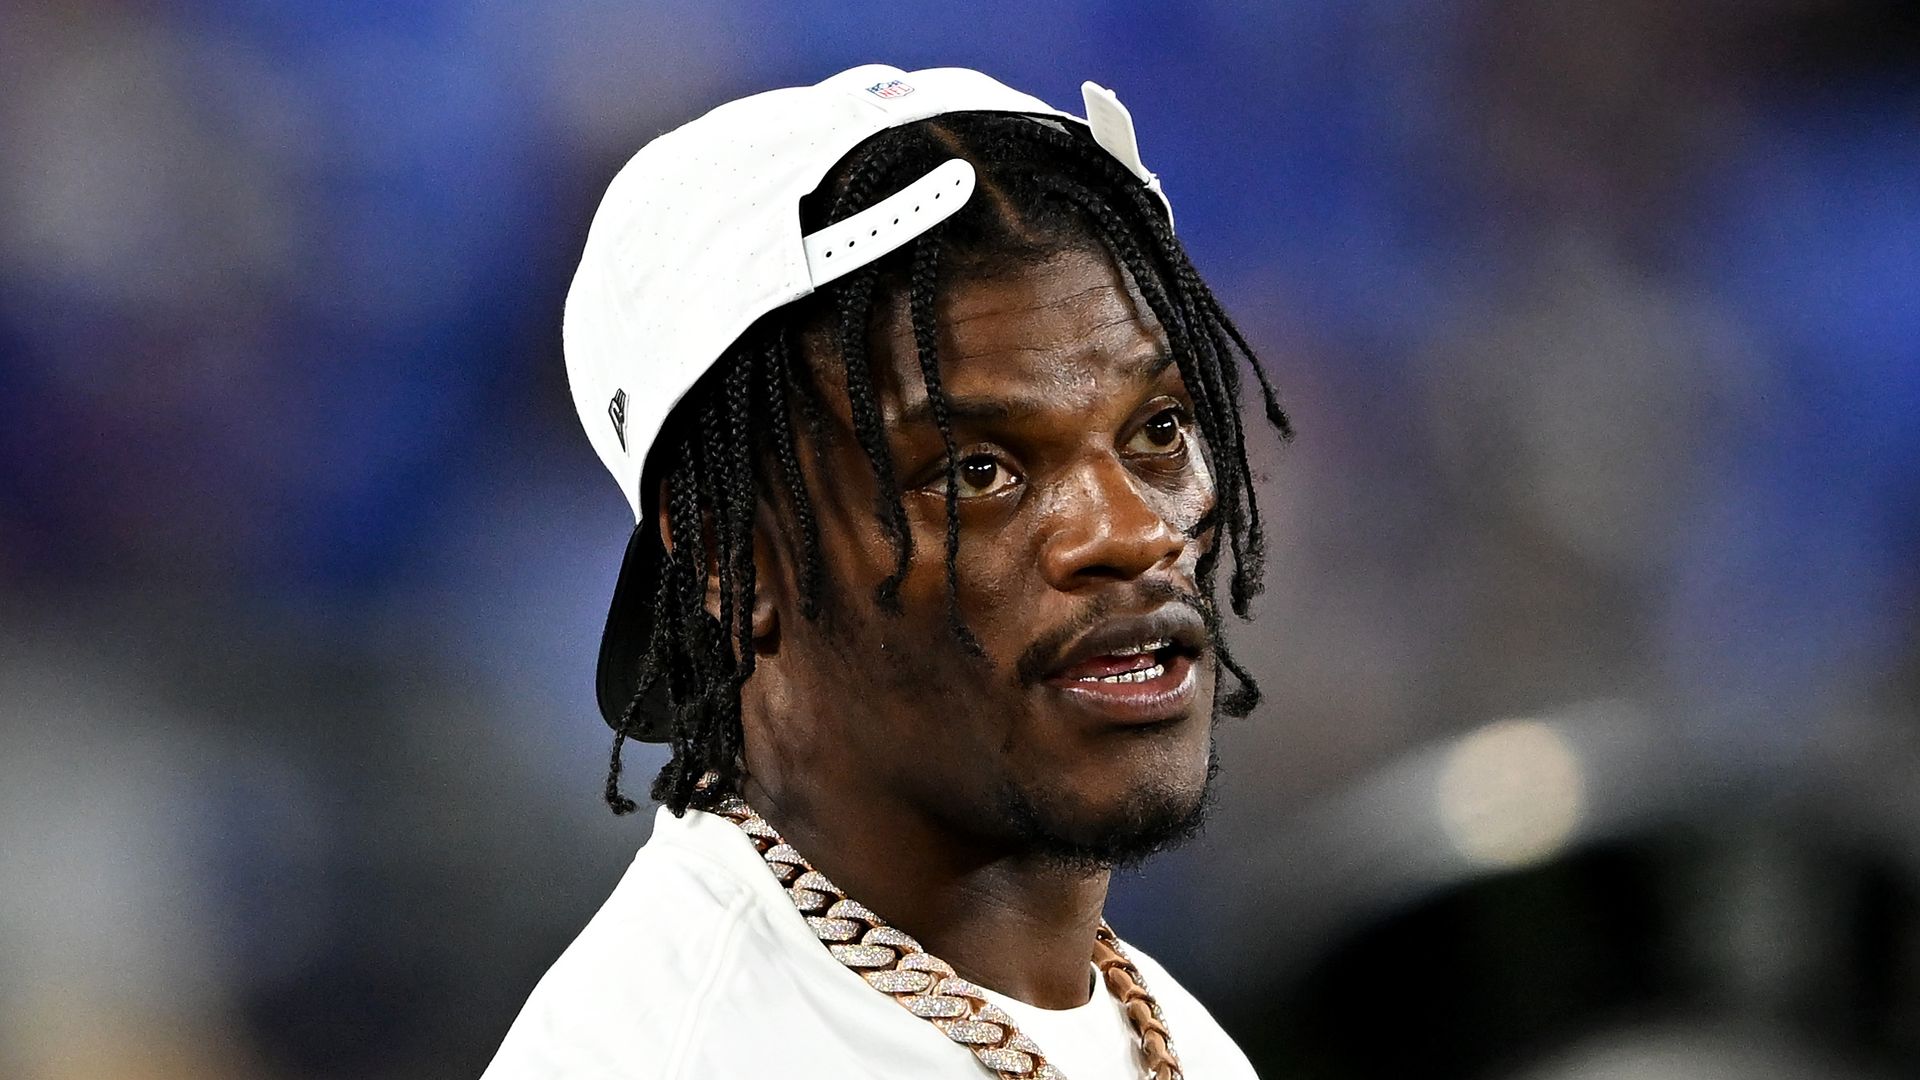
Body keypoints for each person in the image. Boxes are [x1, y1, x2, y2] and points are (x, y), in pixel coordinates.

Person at [483, 63, 1290, 1080]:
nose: (1128, 532)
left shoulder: (1152, 1031)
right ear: (732, 559)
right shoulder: (676, 1055)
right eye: (978, 471)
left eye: (1159, 429)